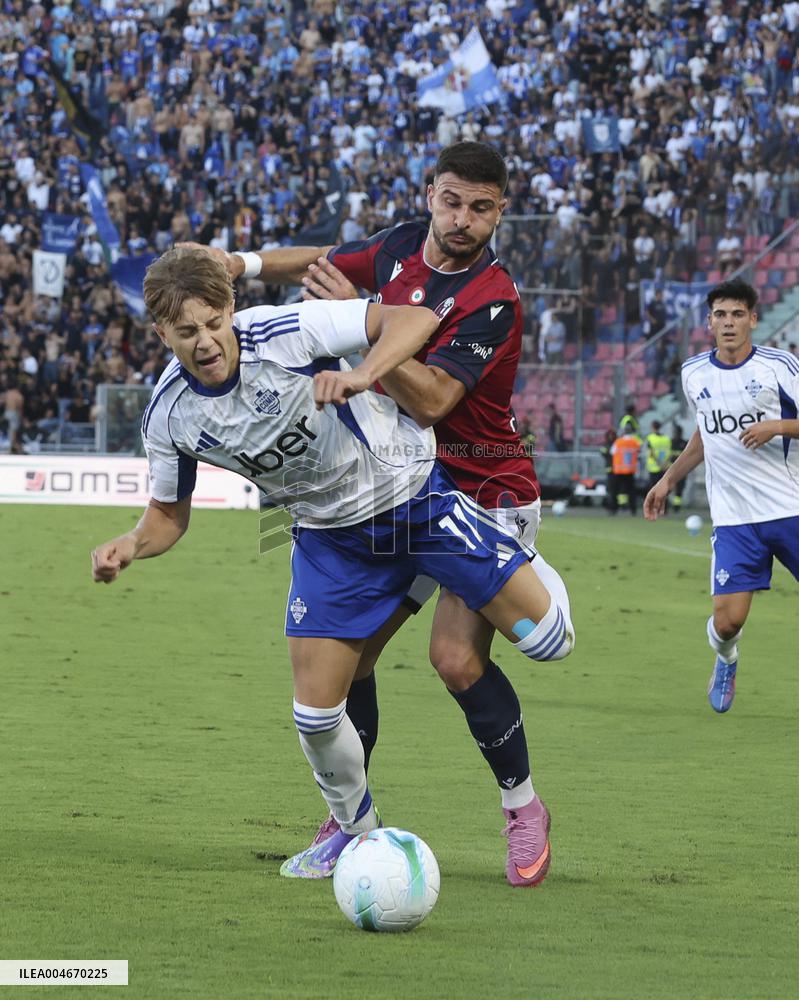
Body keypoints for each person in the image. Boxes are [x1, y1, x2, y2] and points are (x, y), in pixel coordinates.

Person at [91, 248, 575, 878]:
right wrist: (130, 545)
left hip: (413, 501)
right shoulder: (170, 413)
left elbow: (414, 322)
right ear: (161, 334)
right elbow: (168, 515)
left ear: (231, 309)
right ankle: (361, 836)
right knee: (316, 713)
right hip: (330, 541)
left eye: (214, 323)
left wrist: (364, 373)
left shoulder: (286, 334)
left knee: (550, 643)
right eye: (187, 333)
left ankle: (514, 550)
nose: (207, 342)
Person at [186, 141, 574, 887]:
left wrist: (358, 340)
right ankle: (347, 819)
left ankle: (523, 808)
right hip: (389, 487)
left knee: (455, 661)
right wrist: (240, 265)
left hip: (480, 490)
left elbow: (431, 399)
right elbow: (328, 257)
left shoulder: (493, 297)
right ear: (431, 193)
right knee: (353, 659)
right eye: (452, 201)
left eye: (481, 208)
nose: (462, 220)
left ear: (501, 212)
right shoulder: (400, 245)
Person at [644, 279, 799, 713]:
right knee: (728, 622)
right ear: (708, 322)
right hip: (733, 518)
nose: (728, 322)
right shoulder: (694, 372)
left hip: (790, 508)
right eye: (720, 315)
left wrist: (777, 426)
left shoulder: (778, 366)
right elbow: (704, 435)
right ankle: (726, 660)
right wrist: (668, 480)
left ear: (753, 318)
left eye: (737, 314)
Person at [609, 427, 642, 515]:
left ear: (623, 433)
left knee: (615, 490)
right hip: (630, 470)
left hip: (619, 470)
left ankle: (613, 509)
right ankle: (633, 510)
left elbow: (612, 452)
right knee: (631, 491)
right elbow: (639, 452)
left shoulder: (618, 442)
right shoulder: (635, 442)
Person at [644, 420, 671, 504]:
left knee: (653, 488)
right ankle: (664, 507)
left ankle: (652, 506)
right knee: (664, 488)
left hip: (653, 467)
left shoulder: (650, 438)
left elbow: (651, 452)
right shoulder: (666, 438)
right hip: (664, 467)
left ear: (652, 427)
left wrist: (658, 463)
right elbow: (669, 453)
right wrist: (663, 463)